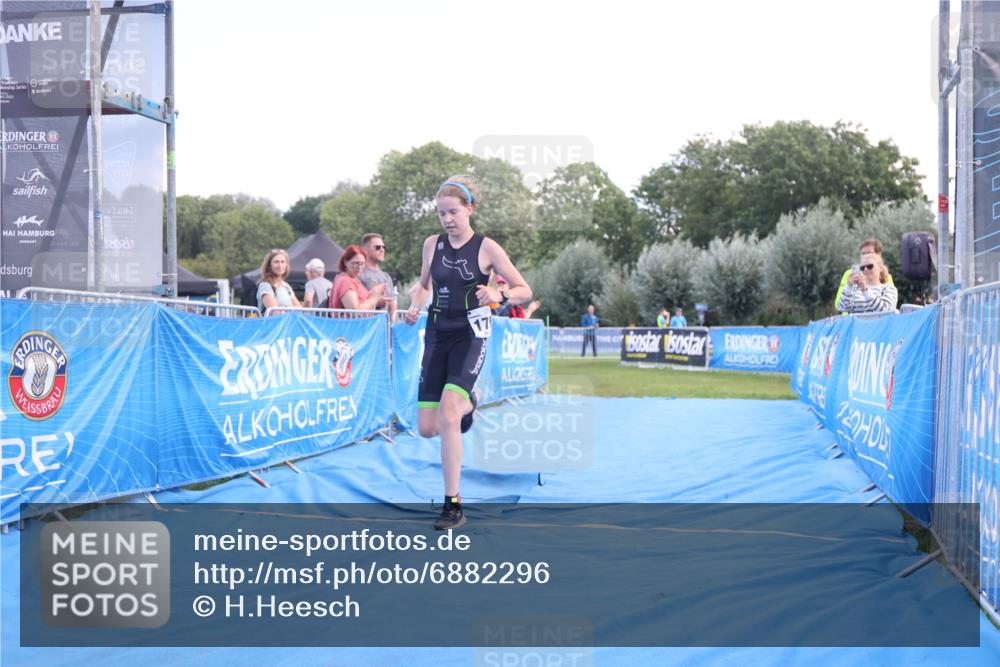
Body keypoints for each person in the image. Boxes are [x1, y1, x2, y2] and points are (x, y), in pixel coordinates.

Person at [403, 176, 532, 530]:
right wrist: (414, 306)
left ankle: (453, 504)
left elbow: (523, 288)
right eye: (441, 213)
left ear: (470, 209)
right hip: (436, 334)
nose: (447, 219)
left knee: (447, 414)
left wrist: (497, 296)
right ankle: (470, 402)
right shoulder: (432, 245)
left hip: (471, 335)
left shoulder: (487, 248)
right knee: (428, 429)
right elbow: (424, 286)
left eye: (453, 212)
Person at [835, 238, 895, 313]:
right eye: (862, 268)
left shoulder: (887, 284)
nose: (866, 270)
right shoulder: (849, 274)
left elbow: (887, 309)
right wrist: (849, 286)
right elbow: (840, 306)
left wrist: (866, 290)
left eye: (870, 266)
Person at [328, 245, 387, 310]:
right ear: (345, 262)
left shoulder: (353, 280)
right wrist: (374, 298)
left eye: (362, 263)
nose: (359, 267)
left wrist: (374, 295)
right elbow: (355, 311)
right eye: (356, 263)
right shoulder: (345, 281)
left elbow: (363, 304)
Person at [359, 233, 397, 320]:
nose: (382, 250)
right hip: (367, 327)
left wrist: (394, 327)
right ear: (365, 250)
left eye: (384, 247)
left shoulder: (386, 277)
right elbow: (356, 305)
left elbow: (393, 306)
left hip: (384, 329)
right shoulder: (360, 274)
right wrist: (376, 301)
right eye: (377, 247)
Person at [257, 248, 301, 314]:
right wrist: (291, 308)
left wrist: (287, 309)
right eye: (276, 262)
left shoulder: (286, 286)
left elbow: (299, 309)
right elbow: (275, 312)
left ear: (286, 265)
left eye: (283, 262)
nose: (280, 265)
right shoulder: (265, 285)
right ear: (269, 266)